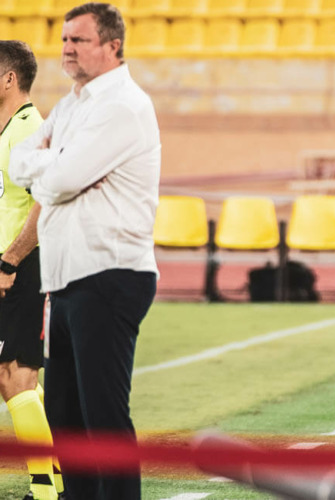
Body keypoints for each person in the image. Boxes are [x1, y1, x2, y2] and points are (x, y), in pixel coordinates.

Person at [8, 3, 160, 499]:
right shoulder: (72, 105)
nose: (68, 49)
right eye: (65, 39)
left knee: (103, 416)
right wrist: (54, 167)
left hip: (109, 273)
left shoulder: (123, 106)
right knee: (65, 416)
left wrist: (51, 168)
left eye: (80, 40)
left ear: (112, 46)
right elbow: (19, 163)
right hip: (67, 277)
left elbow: (59, 181)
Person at [0, 40, 64, 500]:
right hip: (5, 266)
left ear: (9, 78)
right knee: (10, 379)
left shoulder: (30, 131)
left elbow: (44, 206)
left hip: (20, 267)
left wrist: (10, 262)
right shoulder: (6, 130)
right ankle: (56, 480)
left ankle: (45, 493)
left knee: (17, 376)